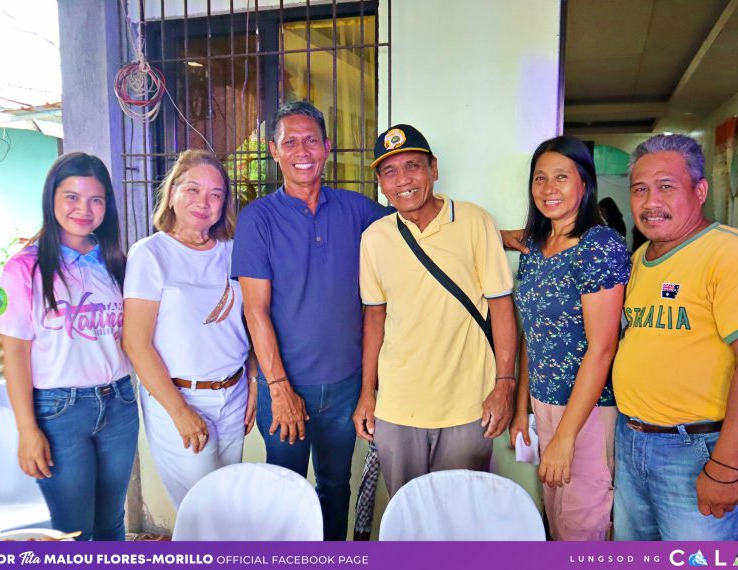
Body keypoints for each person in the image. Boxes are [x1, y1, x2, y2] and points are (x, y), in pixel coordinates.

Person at [231, 101, 390, 541]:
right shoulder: (258, 219)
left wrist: (500, 235)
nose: (302, 150)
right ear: (274, 151)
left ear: (327, 148)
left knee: (336, 488)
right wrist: (278, 388)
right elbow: (254, 311)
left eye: (311, 140)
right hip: (284, 386)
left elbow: (419, 228)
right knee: (285, 493)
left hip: (343, 388)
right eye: (291, 141)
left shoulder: (357, 211)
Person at [612, 134, 738, 540]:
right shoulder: (640, 258)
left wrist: (724, 466)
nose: (651, 202)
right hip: (633, 441)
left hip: (699, 449)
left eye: (666, 187)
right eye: (640, 189)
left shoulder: (732, 253)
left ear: (700, 190)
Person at [353, 124, 518, 497]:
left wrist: (504, 385)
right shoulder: (374, 238)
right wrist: (367, 392)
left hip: (468, 404)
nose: (403, 180)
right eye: (390, 172)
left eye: (412, 166)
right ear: (380, 183)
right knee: (409, 514)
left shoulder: (475, 221)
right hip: (397, 406)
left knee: (459, 518)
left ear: (434, 169)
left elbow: (502, 306)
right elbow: (374, 318)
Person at [0, 153, 137, 540]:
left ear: (108, 205)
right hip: (59, 412)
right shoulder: (24, 268)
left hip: (119, 403)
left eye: (96, 199)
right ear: (51, 199)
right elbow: (15, 356)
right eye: (71, 197)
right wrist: (27, 429)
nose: (83, 209)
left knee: (112, 522)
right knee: (73, 534)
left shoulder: (116, 262)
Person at [508, 136, 629, 541]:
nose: (548, 188)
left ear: (585, 184)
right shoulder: (535, 245)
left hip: (589, 409)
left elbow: (603, 349)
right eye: (539, 178)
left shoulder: (599, 245)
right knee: (556, 519)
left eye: (562, 176)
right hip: (544, 404)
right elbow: (533, 335)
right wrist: (520, 409)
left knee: (583, 527)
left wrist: (564, 438)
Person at [123, 150, 256, 510]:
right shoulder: (150, 254)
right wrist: (179, 412)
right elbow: (135, 343)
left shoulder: (232, 251)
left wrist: (254, 381)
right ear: (172, 193)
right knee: (202, 514)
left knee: (227, 504)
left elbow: (251, 321)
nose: (204, 202)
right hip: (180, 397)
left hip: (234, 394)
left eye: (216, 194)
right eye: (193, 189)